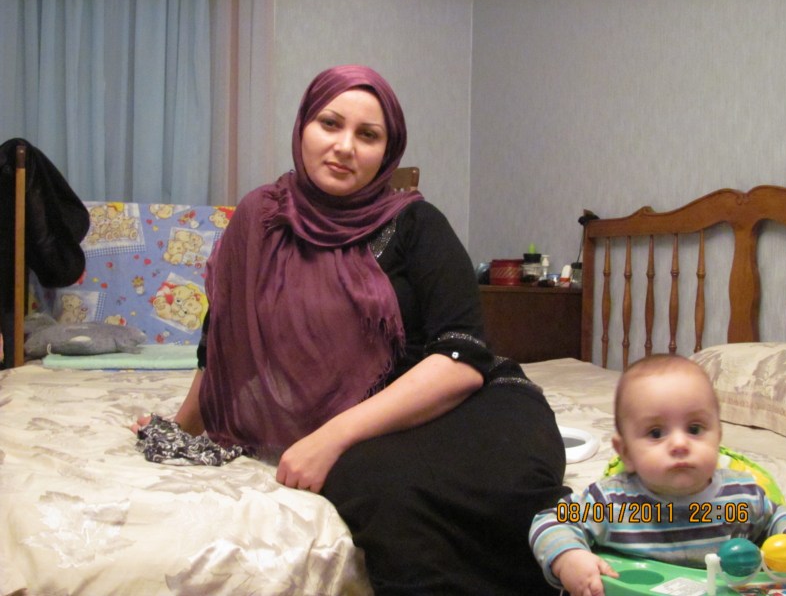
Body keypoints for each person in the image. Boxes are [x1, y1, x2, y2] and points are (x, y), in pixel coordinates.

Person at [132, 64, 568, 594]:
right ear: (302, 128)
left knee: (481, 487)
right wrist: (182, 427)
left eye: (368, 135)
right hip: (377, 442)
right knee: (373, 483)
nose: (344, 147)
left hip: (471, 407)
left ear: (388, 151)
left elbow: (464, 357)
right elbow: (223, 343)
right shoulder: (259, 219)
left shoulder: (417, 224)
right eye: (330, 124)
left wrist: (328, 438)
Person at [529, 354, 786, 596]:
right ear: (626, 453)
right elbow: (550, 521)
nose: (680, 443)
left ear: (718, 437)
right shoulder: (611, 503)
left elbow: (777, 518)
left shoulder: (742, 497)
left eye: (695, 429)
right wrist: (569, 556)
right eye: (656, 433)